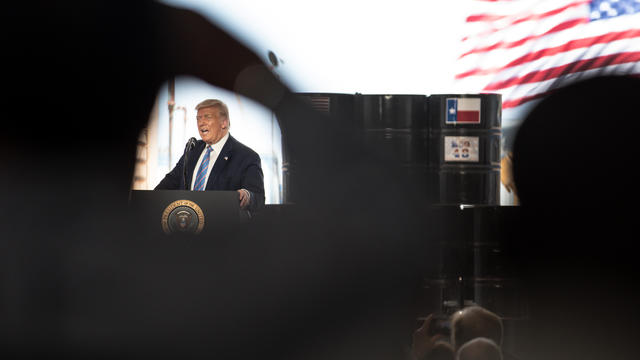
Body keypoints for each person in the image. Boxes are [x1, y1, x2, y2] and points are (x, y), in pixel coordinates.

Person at [154, 99, 265, 212]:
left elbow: (259, 198)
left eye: (207, 117)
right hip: (186, 225)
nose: (201, 123)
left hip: (221, 226)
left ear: (224, 123)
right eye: (198, 118)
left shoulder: (246, 156)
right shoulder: (192, 150)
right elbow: (169, 183)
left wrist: (247, 196)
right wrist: (149, 200)